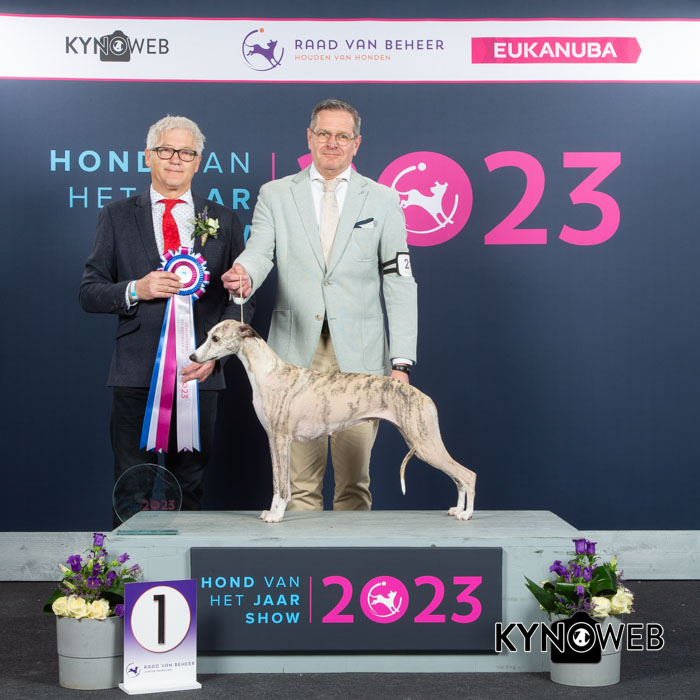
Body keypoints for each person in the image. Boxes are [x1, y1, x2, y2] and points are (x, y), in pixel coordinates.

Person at [222, 98, 417, 512]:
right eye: (324, 133)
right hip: (294, 358)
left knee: (355, 484)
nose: (333, 143)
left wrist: (400, 362)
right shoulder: (275, 194)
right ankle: (302, 554)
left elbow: (399, 280)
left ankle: (352, 553)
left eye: (342, 136)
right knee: (299, 486)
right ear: (309, 138)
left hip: (361, 359)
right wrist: (244, 275)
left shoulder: (383, 199)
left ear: (356, 143)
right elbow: (259, 253)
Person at [80, 115, 253, 518]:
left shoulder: (225, 219)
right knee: (131, 486)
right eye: (166, 150)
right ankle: (129, 562)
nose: (176, 159)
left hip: (200, 373)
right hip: (135, 373)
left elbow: (242, 299)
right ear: (148, 156)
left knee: (189, 486)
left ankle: (181, 563)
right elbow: (89, 292)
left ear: (198, 162)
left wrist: (216, 357)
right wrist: (135, 289)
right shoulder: (116, 215)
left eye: (186, 152)